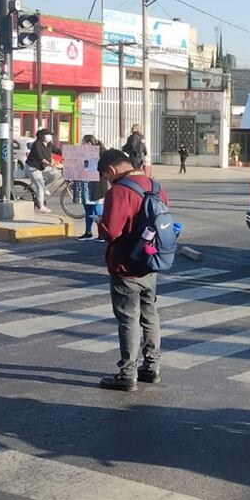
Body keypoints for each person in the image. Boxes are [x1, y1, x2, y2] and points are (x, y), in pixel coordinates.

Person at [96, 148, 169, 391]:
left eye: (106, 176)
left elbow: (111, 232)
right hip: (150, 263)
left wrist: (99, 223)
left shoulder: (119, 191)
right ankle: (152, 367)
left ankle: (128, 373)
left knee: (128, 318)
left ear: (111, 170)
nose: (108, 180)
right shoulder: (155, 186)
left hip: (125, 264)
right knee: (150, 315)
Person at [75, 135, 108, 240]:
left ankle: (102, 233)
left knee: (97, 209)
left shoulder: (100, 154)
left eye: (83, 142)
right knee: (88, 209)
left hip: (96, 187)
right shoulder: (83, 154)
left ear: (89, 143)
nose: (82, 145)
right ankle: (88, 232)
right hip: (86, 186)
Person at [24, 128, 61, 213]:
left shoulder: (49, 145)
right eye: (48, 135)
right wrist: (50, 163)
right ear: (42, 136)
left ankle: (44, 188)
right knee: (40, 186)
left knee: (55, 174)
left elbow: (58, 151)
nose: (50, 137)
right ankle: (41, 206)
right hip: (32, 168)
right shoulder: (37, 144)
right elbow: (40, 158)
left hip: (42, 167)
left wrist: (69, 154)